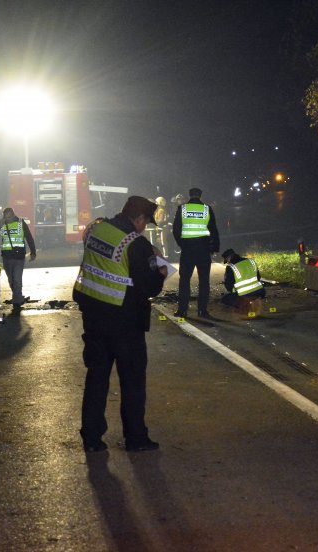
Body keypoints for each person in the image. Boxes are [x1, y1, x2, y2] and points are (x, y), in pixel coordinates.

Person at [73, 195, 168, 453]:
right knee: (133, 382)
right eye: (146, 223)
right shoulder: (135, 244)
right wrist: (159, 273)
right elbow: (147, 287)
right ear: (139, 218)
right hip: (124, 322)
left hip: (93, 316)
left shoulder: (96, 229)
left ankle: (92, 438)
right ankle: (136, 438)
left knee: (97, 378)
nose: (144, 228)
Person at [172, 187, 220, 318]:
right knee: (204, 281)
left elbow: (176, 229)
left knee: (184, 280)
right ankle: (202, 311)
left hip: (188, 250)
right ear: (200, 196)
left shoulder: (182, 209)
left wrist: (182, 244)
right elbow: (213, 230)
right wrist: (213, 248)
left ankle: (182, 310)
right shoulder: (206, 209)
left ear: (190, 195)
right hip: (203, 250)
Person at [0, 207, 36, 307]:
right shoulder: (2, 224)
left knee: (17, 278)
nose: (7, 218)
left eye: (9, 216)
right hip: (7, 257)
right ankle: (17, 296)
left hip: (19, 256)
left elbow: (29, 237)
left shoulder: (20, 222)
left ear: (13, 215)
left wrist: (33, 252)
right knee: (11, 279)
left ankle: (17, 300)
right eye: (5, 216)